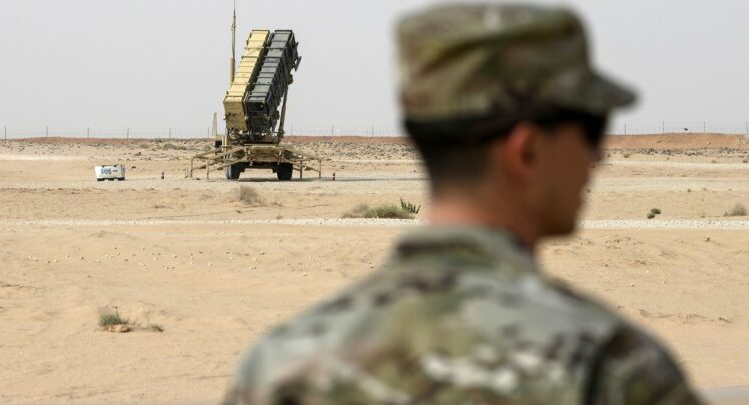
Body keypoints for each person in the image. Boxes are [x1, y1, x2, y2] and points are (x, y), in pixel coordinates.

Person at [224, 3, 704, 404]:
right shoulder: (613, 368)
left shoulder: (283, 366)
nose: (597, 157)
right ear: (528, 149)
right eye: (591, 131)